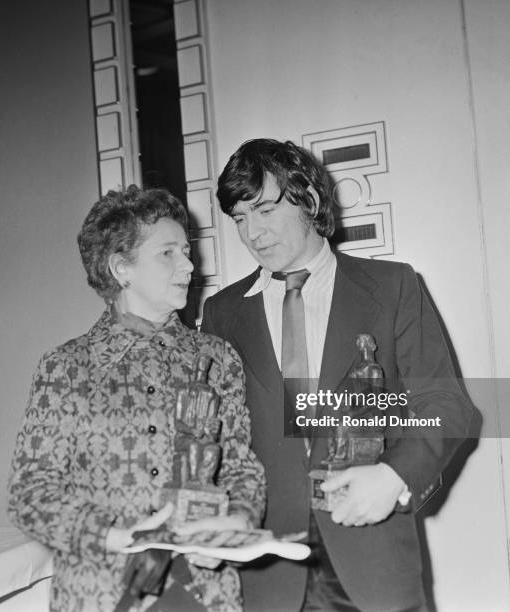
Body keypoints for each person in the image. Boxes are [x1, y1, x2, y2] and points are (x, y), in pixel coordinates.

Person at [201, 139, 473, 612]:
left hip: (375, 558)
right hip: (268, 570)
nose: (252, 233)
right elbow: (217, 435)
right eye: (240, 219)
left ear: (308, 198)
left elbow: (445, 407)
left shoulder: (392, 287)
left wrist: (394, 475)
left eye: (264, 210)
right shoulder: (222, 312)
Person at [8, 185, 265, 612]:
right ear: (121, 268)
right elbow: (30, 493)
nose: (189, 265)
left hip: (204, 594)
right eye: (168, 253)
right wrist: (112, 534)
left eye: (187, 250)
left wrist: (236, 523)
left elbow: (241, 468)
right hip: (101, 595)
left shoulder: (219, 359)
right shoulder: (66, 368)